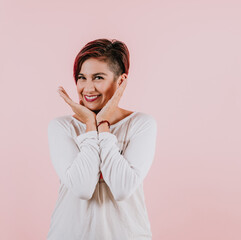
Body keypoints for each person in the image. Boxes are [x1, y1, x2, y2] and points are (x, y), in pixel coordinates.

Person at [47, 38, 158, 240]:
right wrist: (91, 125)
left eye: (98, 77)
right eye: (82, 77)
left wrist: (103, 125)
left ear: (121, 81)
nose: (88, 88)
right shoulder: (62, 127)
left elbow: (123, 188)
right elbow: (82, 188)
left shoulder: (141, 125)